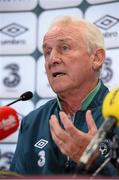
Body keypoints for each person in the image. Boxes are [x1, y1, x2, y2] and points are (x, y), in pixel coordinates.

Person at [10, 16, 118, 176]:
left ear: (96, 58)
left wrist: (93, 161)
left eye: (65, 48)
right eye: (47, 52)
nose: (52, 59)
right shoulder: (31, 122)